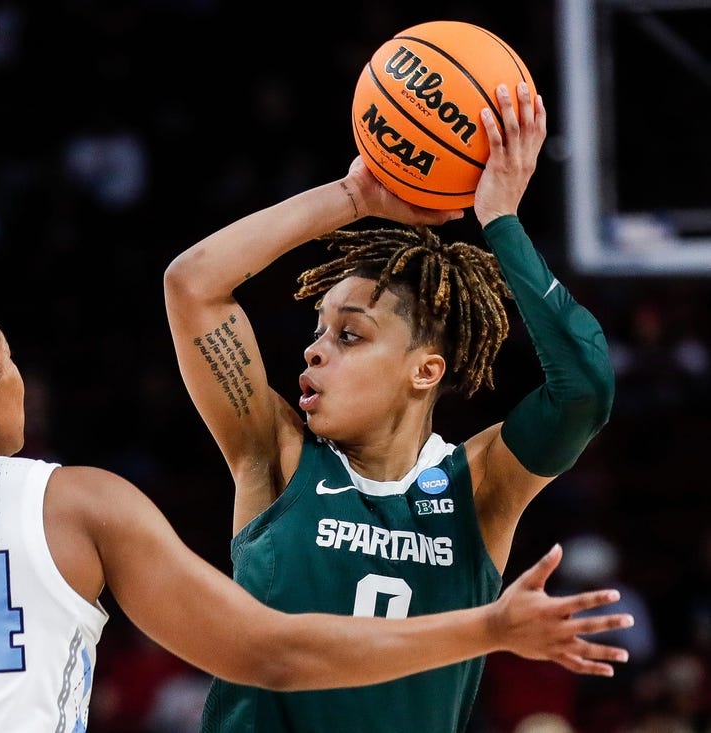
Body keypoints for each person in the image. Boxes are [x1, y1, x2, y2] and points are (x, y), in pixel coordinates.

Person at [0, 280, 629, 733]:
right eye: (12, 361)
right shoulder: (68, 502)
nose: (25, 379)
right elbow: (274, 650)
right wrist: (488, 627)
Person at [164, 81, 616, 733]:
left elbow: (584, 389)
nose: (314, 352)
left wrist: (501, 222)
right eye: (317, 332)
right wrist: (353, 197)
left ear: (425, 370)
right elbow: (192, 284)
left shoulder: (479, 485)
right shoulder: (277, 453)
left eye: (348, 334)